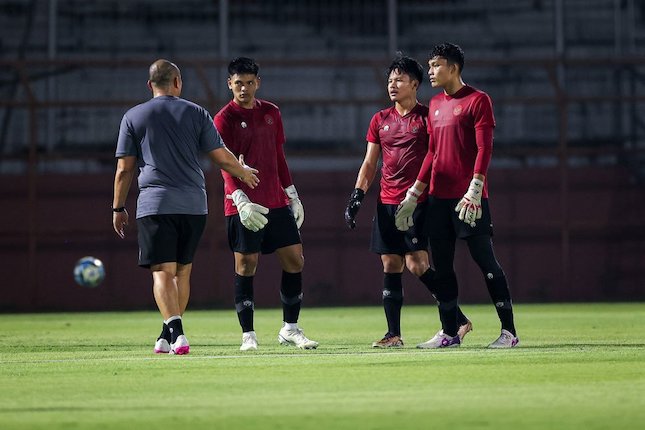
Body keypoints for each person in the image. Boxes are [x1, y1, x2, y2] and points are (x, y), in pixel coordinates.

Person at [112, 59, 259, 355]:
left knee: (162, 272)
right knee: (183, 272)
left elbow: (124, 170)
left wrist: (118, 207)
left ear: (149, 84)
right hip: (194, 205)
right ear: (178, 82)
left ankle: (177, 333)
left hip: (155, 204)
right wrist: (243, 173)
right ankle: (166, 334)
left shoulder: (133, 116)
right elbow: (220, 155)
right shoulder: (196, 113)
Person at [395, 43, 519, 348]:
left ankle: (509, 332)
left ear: (454, 67)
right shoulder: (435, 104)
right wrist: (415, 193)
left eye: (436, 65)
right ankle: (450, 332)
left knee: (485, 260)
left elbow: (484, 148)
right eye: (430, 65)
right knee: (445, 266)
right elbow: (433, 153)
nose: (432, 72)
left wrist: (475, 188)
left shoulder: (478, 100)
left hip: (469, 200)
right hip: (439, 198)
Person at [344, 55, 472, 348]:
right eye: (390, 80)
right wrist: (357, 197)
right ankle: (394, 334)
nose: (393, 85)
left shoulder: (428, 117)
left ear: (415, 84)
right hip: (386, 203)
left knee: (416, 264)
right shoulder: (380, 119)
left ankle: (458, 320)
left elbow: (438, 157)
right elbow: (369, 164)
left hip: (416, 203)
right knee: (390, 263)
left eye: (399, 79)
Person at [213, 57, 318, 351]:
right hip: (242, 205)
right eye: (238, 83)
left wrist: (292, 193)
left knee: (295, 260)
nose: (244, 88)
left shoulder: (272, 112)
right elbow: (225, 164)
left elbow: (278, 156)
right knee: (246, 264)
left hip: (275, 201)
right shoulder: (224, 119)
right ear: (229, 84)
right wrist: (239, 197)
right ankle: (248, 334)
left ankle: (290, 329)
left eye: (249, 82)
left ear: (258, 82)